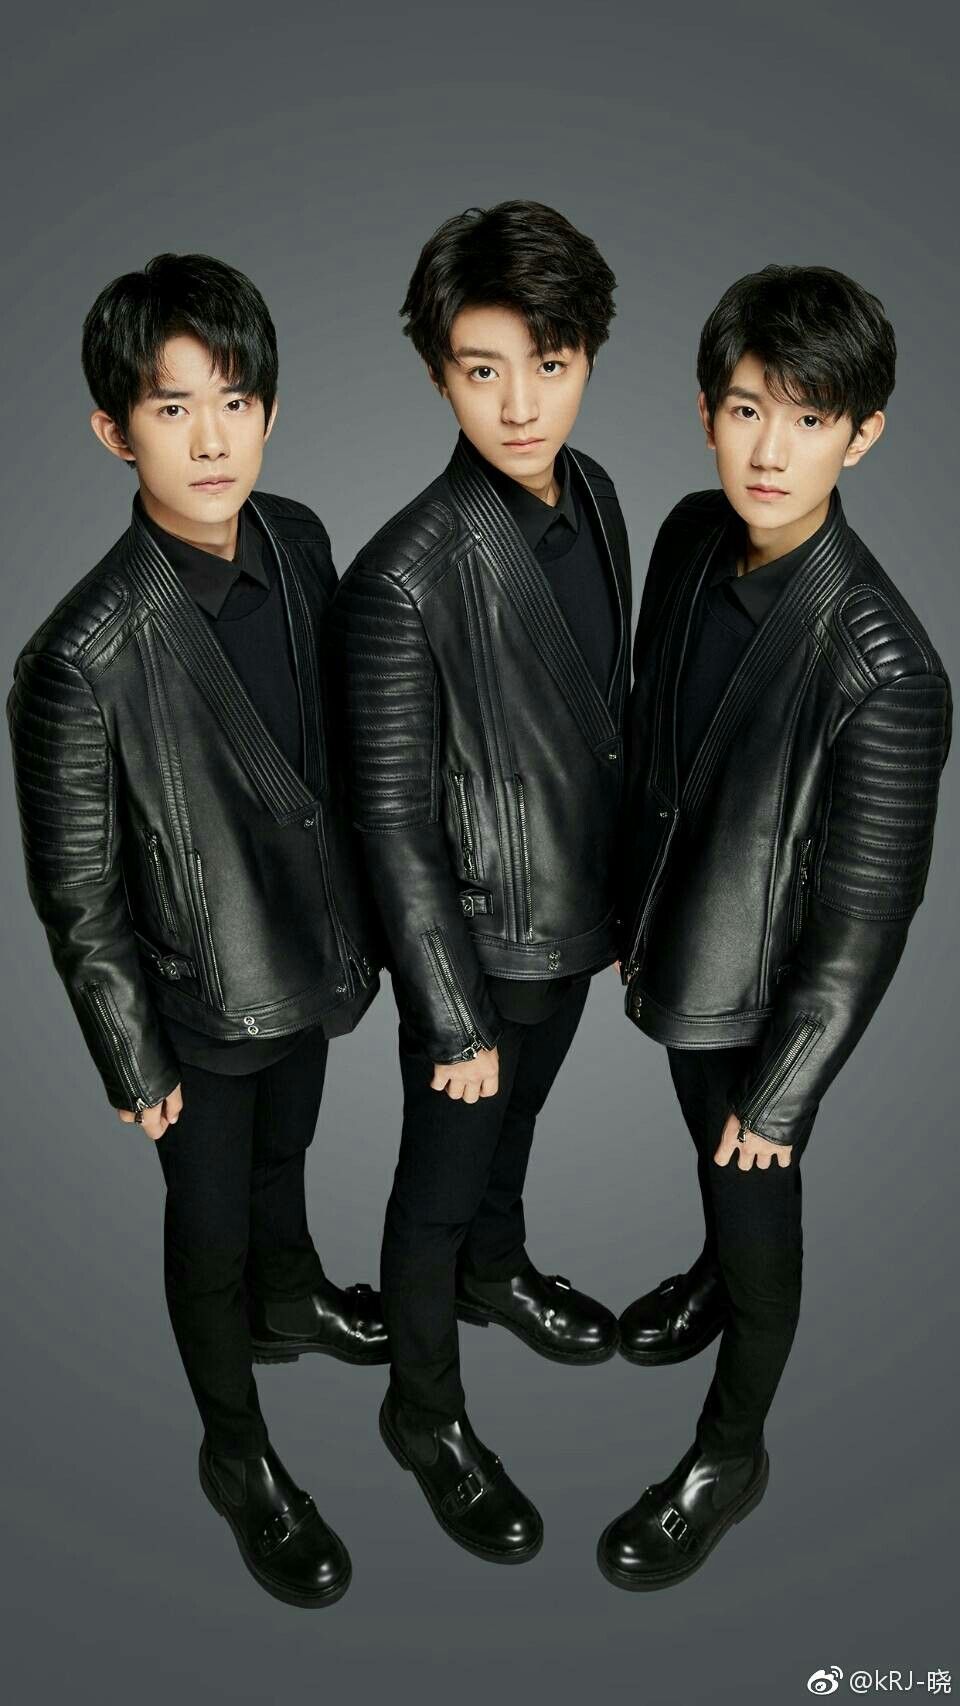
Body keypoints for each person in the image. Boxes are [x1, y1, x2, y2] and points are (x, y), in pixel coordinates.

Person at [7, 252, 388, 1609]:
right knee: (207, 1224)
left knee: (293, 1150)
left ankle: (295, 1297)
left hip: (314, 952)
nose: (212, 437)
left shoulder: (299, 538)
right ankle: (237, 1455)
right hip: (196, 994)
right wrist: (132, 1057)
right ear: (115, 431)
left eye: (234, 399)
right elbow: (77, 890)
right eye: (172, 408)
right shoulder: (78, 657)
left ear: (269, 409)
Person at [601, 264, 951, 1591]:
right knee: (704, 1153)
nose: (770, 450)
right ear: (707, 412)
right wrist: (630, 903)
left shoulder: (889, 665)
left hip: (772, 999)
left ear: (862, 435)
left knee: (757, 1201)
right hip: (683, 945)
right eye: (749, 409)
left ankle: (729, 1454)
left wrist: (789, 1086)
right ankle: (711, 1270)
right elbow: (655, 732)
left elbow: (870, 911)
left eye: (810, 420)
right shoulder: (694, 533)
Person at [334, 200, 629, 1562]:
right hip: (474, 948)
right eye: (482, 369)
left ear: (587, 358)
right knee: (436, 1187)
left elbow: (603, 717)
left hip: (573, 919)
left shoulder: (599, 493)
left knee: (518, 1142)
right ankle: (424, 1412)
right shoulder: (402, 575)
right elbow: (390, 820)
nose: (520, 406)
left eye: (550, 364)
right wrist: (451, 1016)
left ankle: (498, 1273)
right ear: (437, 372)